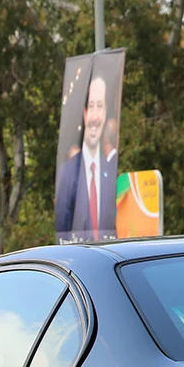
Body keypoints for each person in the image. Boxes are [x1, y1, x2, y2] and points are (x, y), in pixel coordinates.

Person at [54, 74, 118, 243]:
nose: (95, 117)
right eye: (91, 107)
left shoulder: (111, 173)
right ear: (84, 114)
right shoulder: (68, 173)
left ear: (105, 113)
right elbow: (62, 231)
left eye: (100, 107)